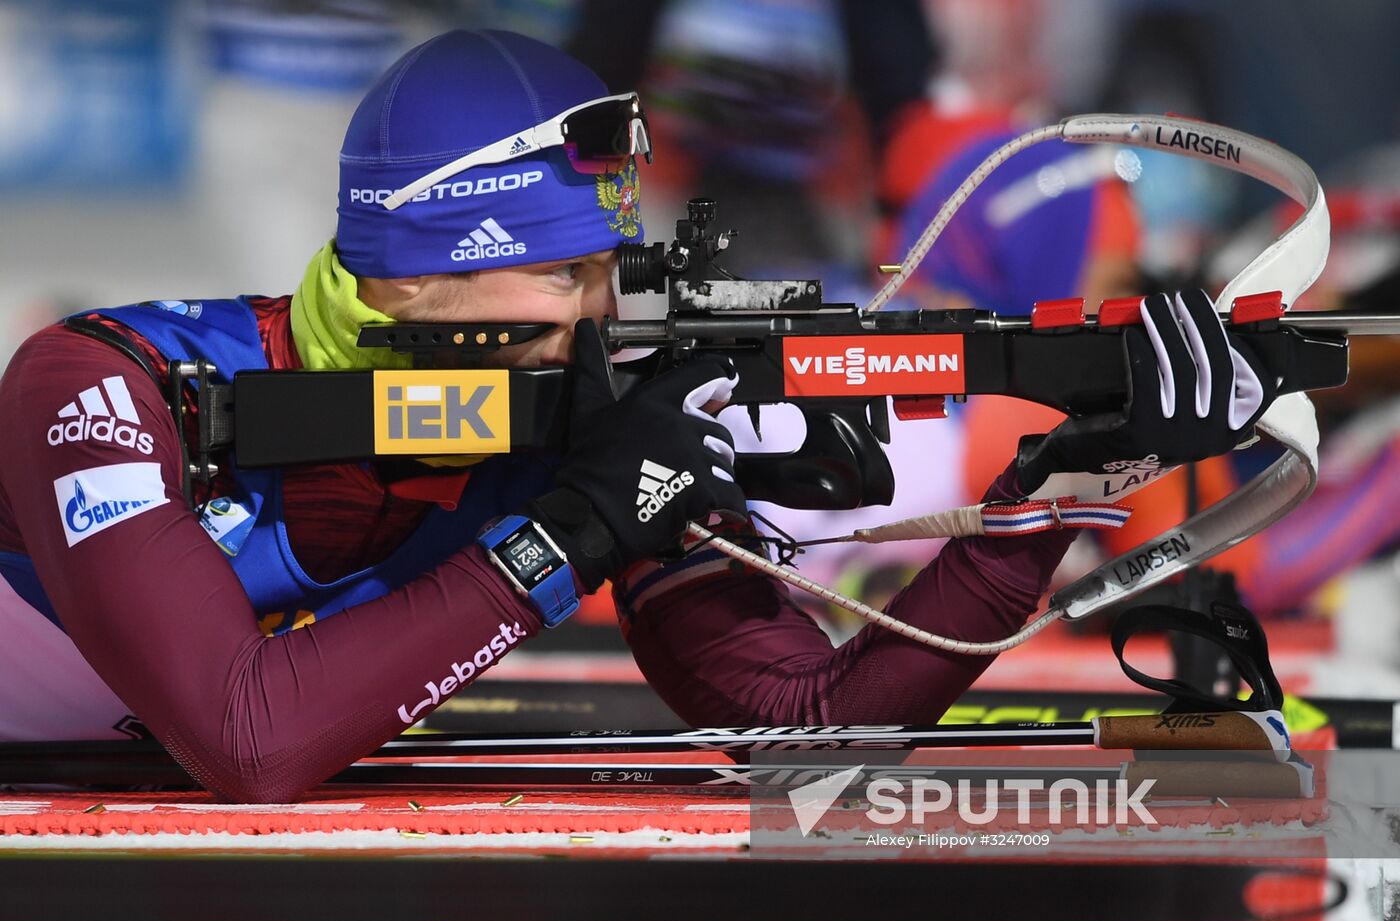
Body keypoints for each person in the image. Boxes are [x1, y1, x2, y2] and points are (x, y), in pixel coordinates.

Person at [0, 30, 1275, 803]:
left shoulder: (571, 410)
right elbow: (247, 739)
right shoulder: (102, 384)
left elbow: (810, 729)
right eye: (563, 274)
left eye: (611, 272)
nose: (601, 317)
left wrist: (1056, 492)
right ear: (415, 274)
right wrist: (568, 535)